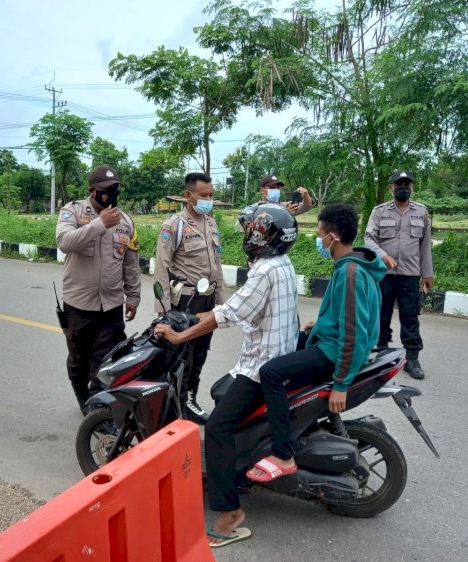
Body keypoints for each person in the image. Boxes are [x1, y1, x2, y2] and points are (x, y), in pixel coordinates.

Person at [154, 203, 299, 548]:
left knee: (218, 427)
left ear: (261, 234)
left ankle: (229, 514)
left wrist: (178, 334)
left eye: (250, 228)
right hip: (277, 356)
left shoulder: (264, 271)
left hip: (262, 365)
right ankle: (239, 472)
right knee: (221, 394)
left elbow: (227, 314)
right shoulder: (282, 264)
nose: (246, 234)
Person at [246, 204, 386, 482]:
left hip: (334, 353)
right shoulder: (353, 265)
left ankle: (282, 454)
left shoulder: (350, 274)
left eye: (320, 233)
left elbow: (353, 332)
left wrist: (340, 384)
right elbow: (349, 316)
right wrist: (319, 325)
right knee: (291, 342)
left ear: (332, 237)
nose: (318, 239)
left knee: (270, 373)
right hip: (330, 341)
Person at [55, 165, 141, 415]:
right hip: (79, 304)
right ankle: (84, 398)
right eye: (105, 190)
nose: (111, 194)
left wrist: (133, 296)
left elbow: (130, 263)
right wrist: (99, 224)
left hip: (111, 305)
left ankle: (98, 407)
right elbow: (64, 243)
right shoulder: (73, 211)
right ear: (92, 190)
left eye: (115, 189)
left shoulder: (125, 221)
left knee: (106, 359)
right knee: (79, 359)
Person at [154, 172, 225, 424]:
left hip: (207, 301)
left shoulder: (211, 224)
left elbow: (216, 266)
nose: (208, 199)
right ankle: (177, 405)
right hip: (185, 301)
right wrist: (163, 310)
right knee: (183, 355)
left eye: (211, 195)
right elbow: (161, 268)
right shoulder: (174, 225)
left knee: (200, 354)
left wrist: (220, 301)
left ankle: (190, 400)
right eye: (204, 195)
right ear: (188, 195)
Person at [364, 170, 434, 379]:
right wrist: (383, 256)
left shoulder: (421, 212)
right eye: (398, 184)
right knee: (381, 314)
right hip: (384, 274)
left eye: (407, 184)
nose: (403, 188)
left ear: (412, 187)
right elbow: (369, 238)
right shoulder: (379, 212)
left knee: (410, 317)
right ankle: (381, 353)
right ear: (391, 187)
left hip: (410, 275)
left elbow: (425, 246)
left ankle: (412, 359)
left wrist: (427, 274)